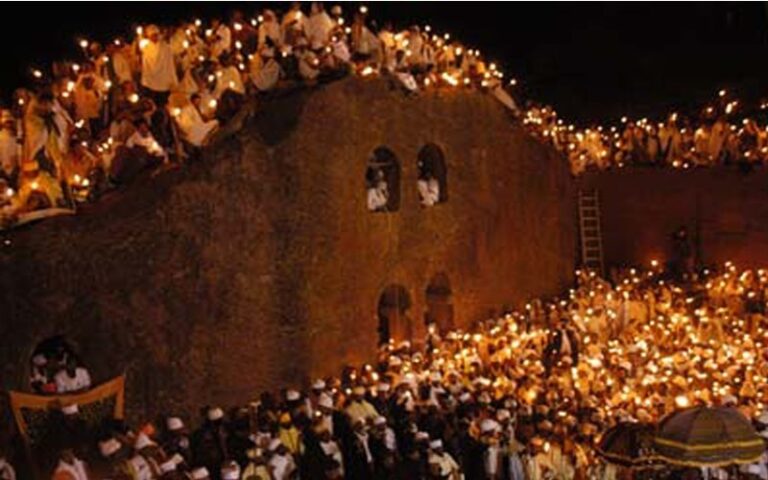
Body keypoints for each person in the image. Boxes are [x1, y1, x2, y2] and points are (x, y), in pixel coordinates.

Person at [140, 25, 178, 106]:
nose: (154, 37)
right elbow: (145, 65)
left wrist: (173, 79)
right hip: (151, 82)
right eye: (152, 35)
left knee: (163, 103)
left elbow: (170, 64)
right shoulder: (146, 48)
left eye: (156, 35)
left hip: (164, 82)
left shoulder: (165, 47)